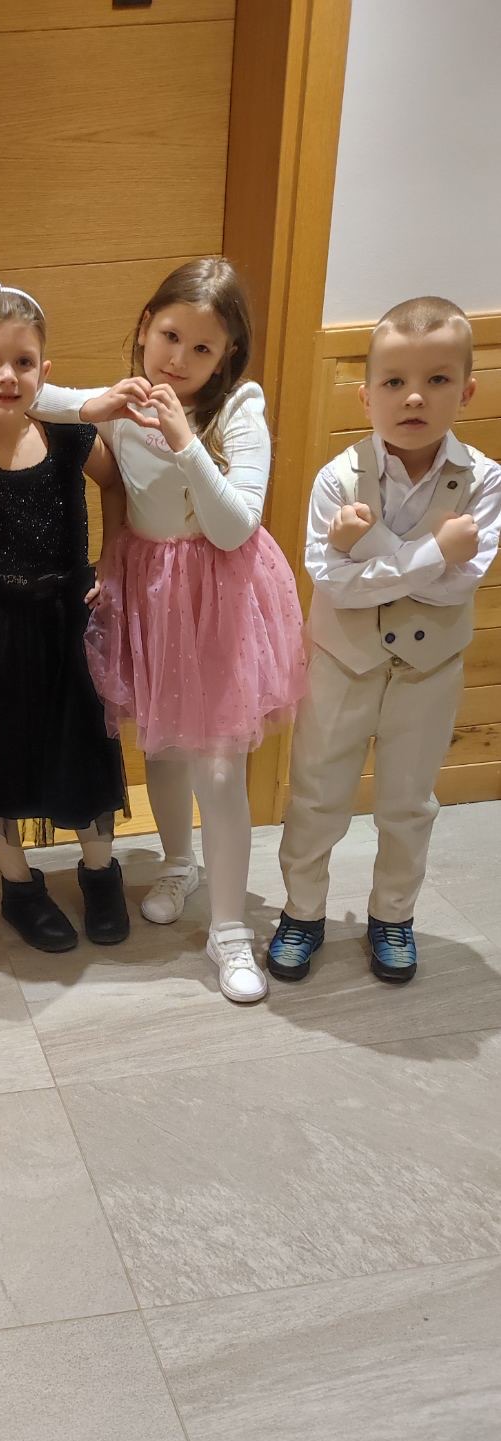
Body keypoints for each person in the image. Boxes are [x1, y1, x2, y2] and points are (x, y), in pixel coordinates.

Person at [32, 256, 306, 1003]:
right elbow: (30, 394)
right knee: (161, 743)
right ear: (145, 327)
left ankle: (229, 930)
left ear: (227, 357)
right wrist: (95, 404)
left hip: (221, 597)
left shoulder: (237, 407)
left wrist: (186, 441)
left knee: (218, 766)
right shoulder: (123, 401)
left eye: (201, 347)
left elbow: (233, 525)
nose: (178, 359)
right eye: (168, 336)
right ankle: (178, 863)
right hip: (151, 593)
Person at [270, 296, 500, 984]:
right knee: (316, 795)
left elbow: (454, 589)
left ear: (466, 390)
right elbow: (334, 585)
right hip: (340, 663)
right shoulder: (335, 480)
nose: (413, 397)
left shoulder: (484, 481)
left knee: (408, 802)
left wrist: (367, 547)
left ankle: (392, 916)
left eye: (436, 380)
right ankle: (302, 912)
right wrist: (432, 551)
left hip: (429, 670)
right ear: (366, 394)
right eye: (394, 381)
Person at [0, 279, 129, 952]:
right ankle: (18, 887)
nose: (7, 376)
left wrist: (110, 563)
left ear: (45, 371)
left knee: (86, 746)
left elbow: (114, 485)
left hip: (70, 626)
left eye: (23, 361)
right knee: (4, 758)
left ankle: (100, 875)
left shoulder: (69, 438)